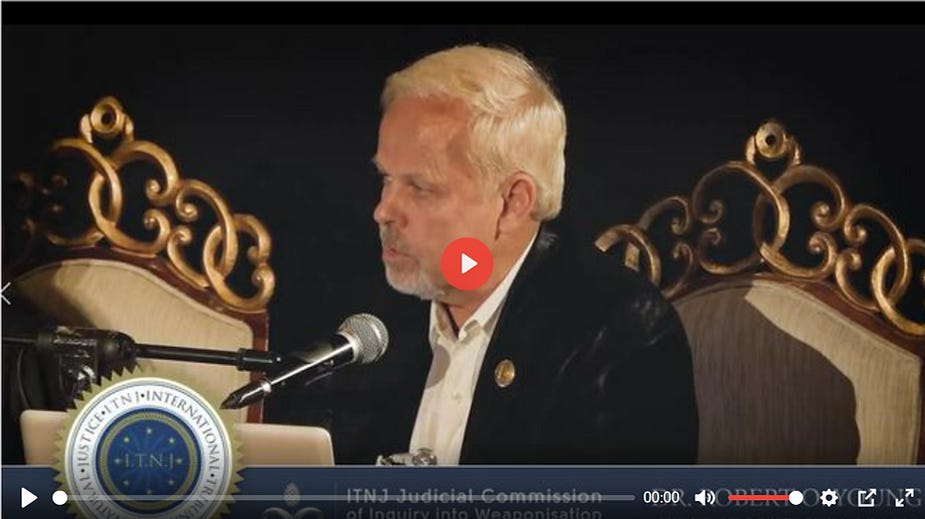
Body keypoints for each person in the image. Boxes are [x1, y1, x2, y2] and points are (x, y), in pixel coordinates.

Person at [320, 44, 698, 464]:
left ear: (512, 202)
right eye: (386, 179)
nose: (383, 211)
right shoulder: (375, 327)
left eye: (420, 188)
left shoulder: (619, 333)